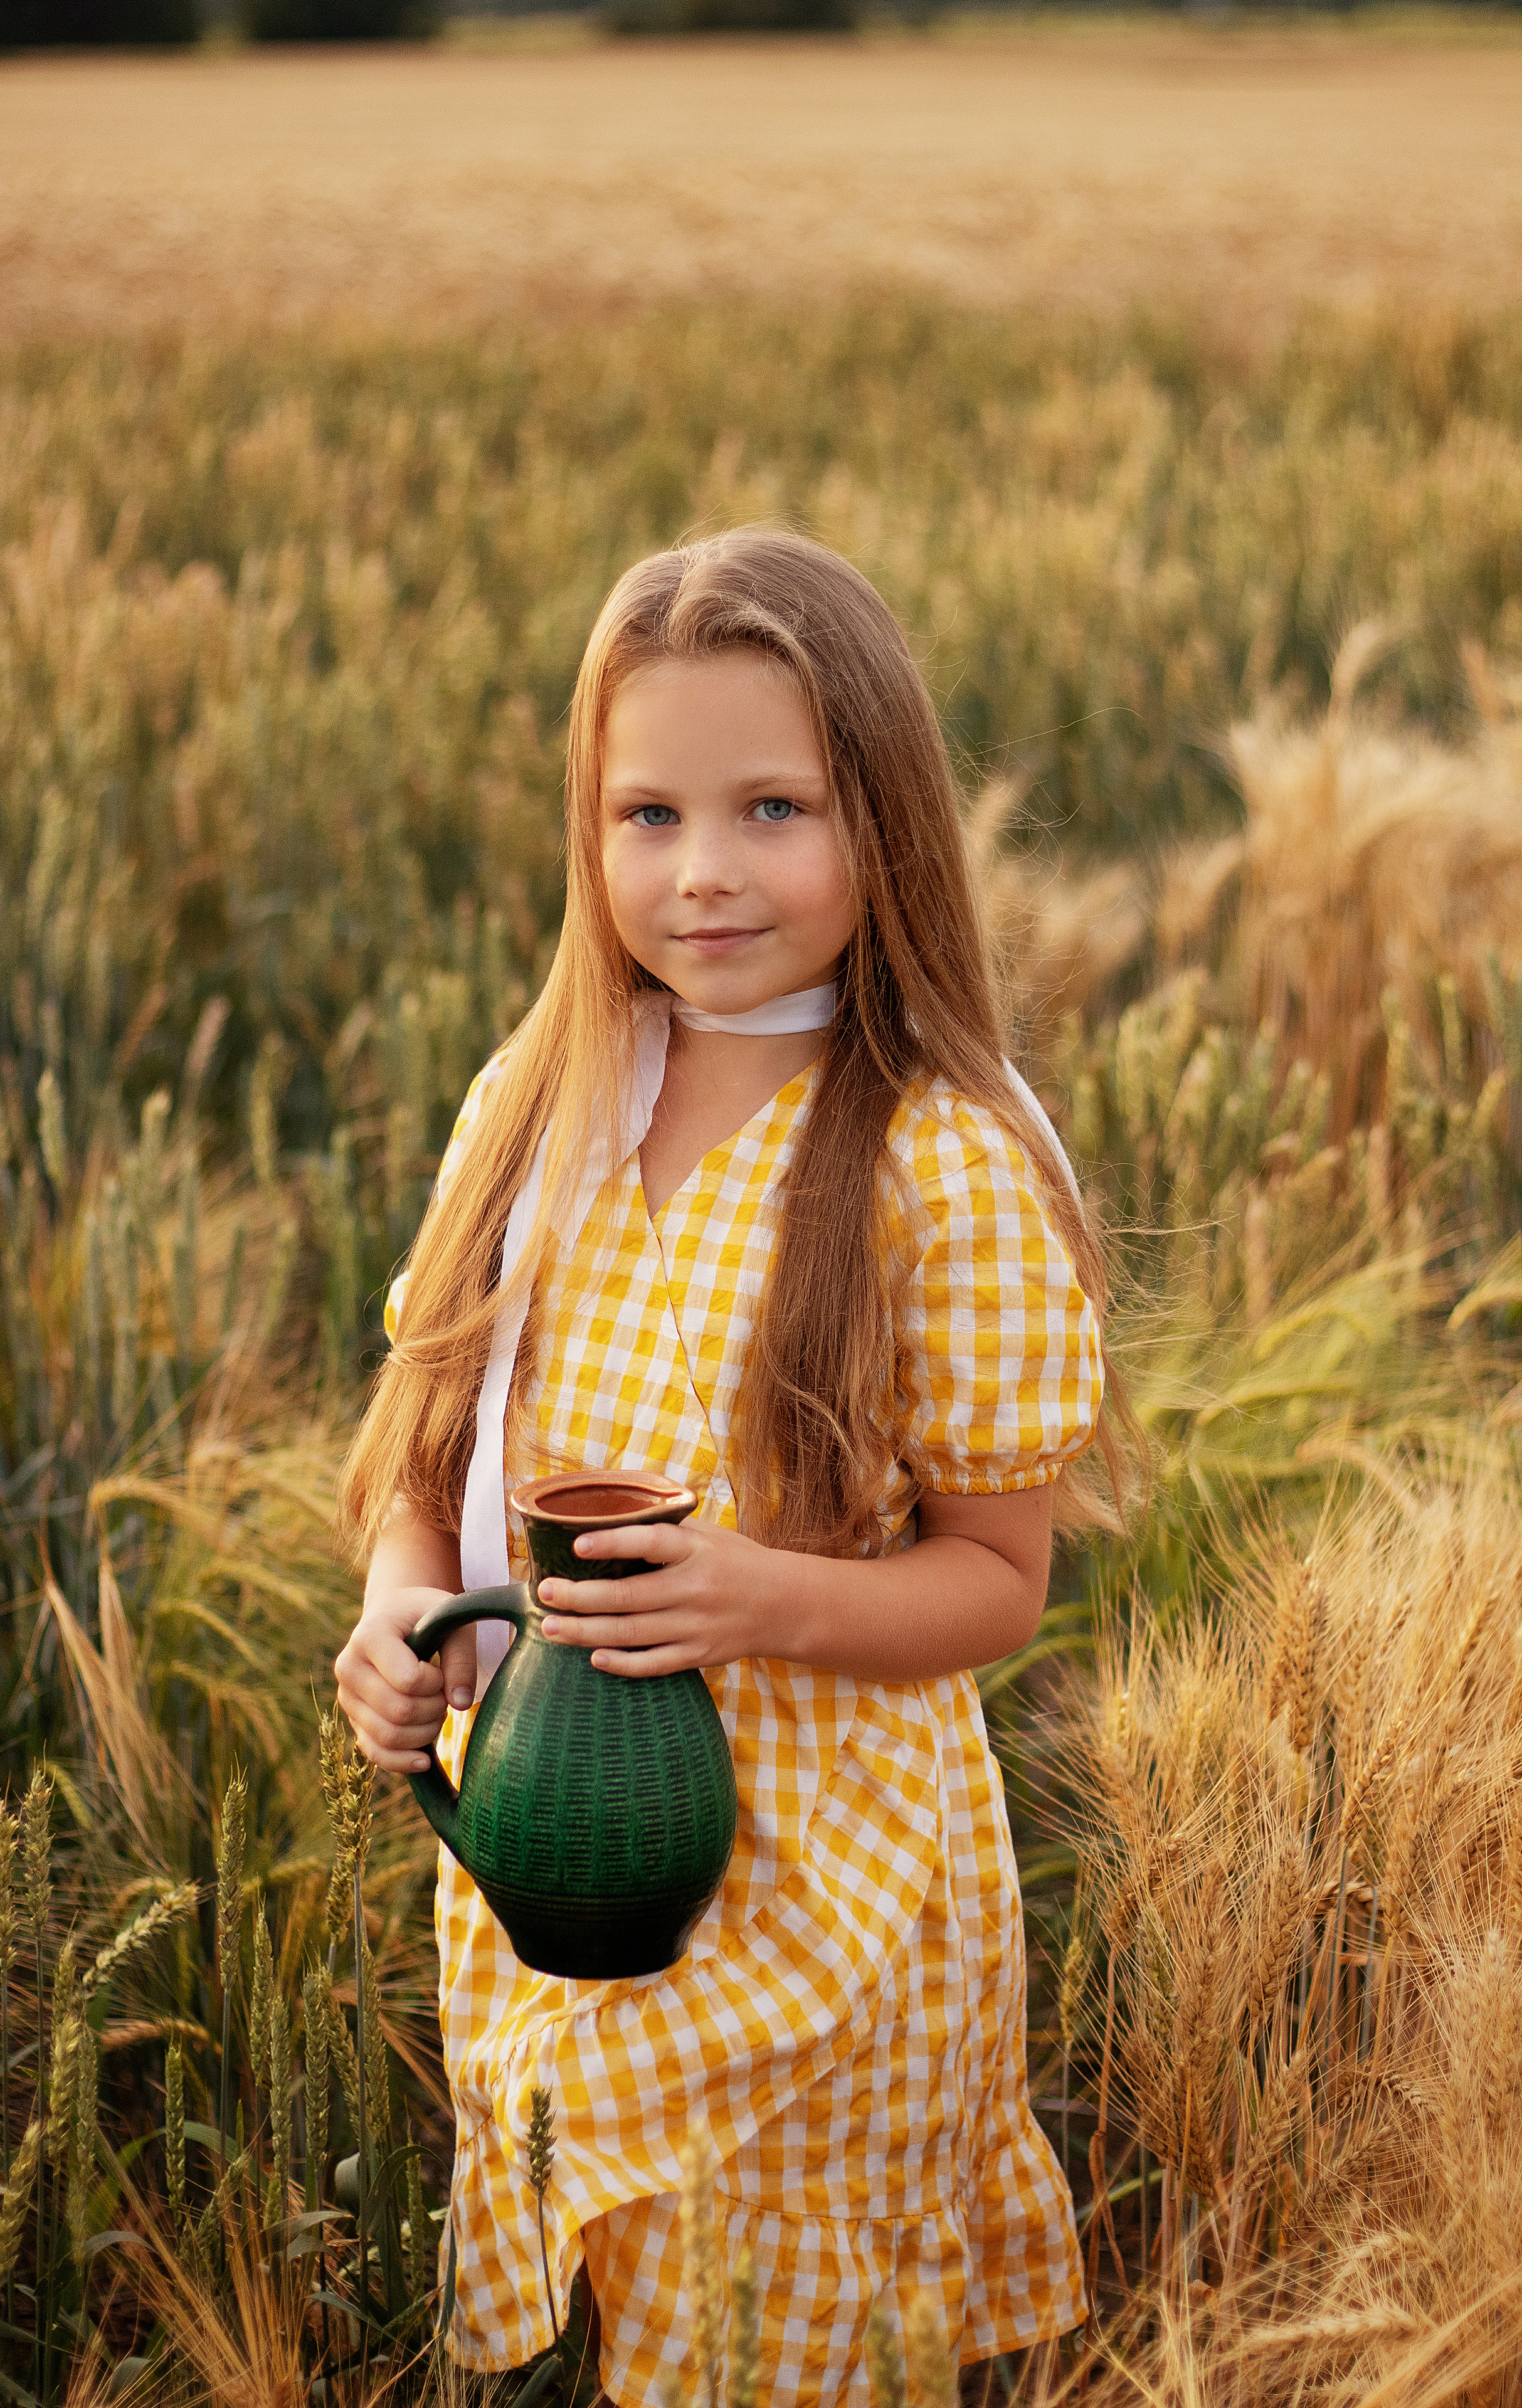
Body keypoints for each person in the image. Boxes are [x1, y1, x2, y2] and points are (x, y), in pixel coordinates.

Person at [334, 527, 1123, 2405]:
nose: (703, 873)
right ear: (586, 838)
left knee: (779, 2346)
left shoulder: (943, 1164)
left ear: (888, 823)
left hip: (827, 1910)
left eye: (775, 807)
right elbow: (429, 1450)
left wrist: (757, 1597)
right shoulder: (533, 1111)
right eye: (647, 815)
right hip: (555, 1867)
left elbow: (998, 1588)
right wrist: (394, 1613)